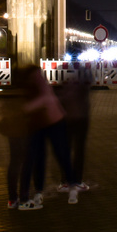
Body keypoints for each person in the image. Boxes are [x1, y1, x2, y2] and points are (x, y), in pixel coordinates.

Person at [18, 65, 76, 209]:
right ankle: (40, 191)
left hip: (54, 121)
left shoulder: (34, 76)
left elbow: (45, 97)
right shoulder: (29, 80)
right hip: (40, 124)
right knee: (41, 157)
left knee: (60, 154)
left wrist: (26, 108)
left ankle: (72, 186)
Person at [58, 58, 93, 190]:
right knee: (79, 150)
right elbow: (88, 84)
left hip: (66, 118)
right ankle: (77, 180)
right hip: (81, 118)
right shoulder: (83, 78)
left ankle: (65, 180)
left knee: (66, 149)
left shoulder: (65, 76)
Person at [0, 81, 33, 209]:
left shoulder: (10, 91)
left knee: (14, 163)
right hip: (22, 131)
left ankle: (12, 199)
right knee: (25, 164)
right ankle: (24, 199)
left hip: (13, 131)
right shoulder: (23, 92)